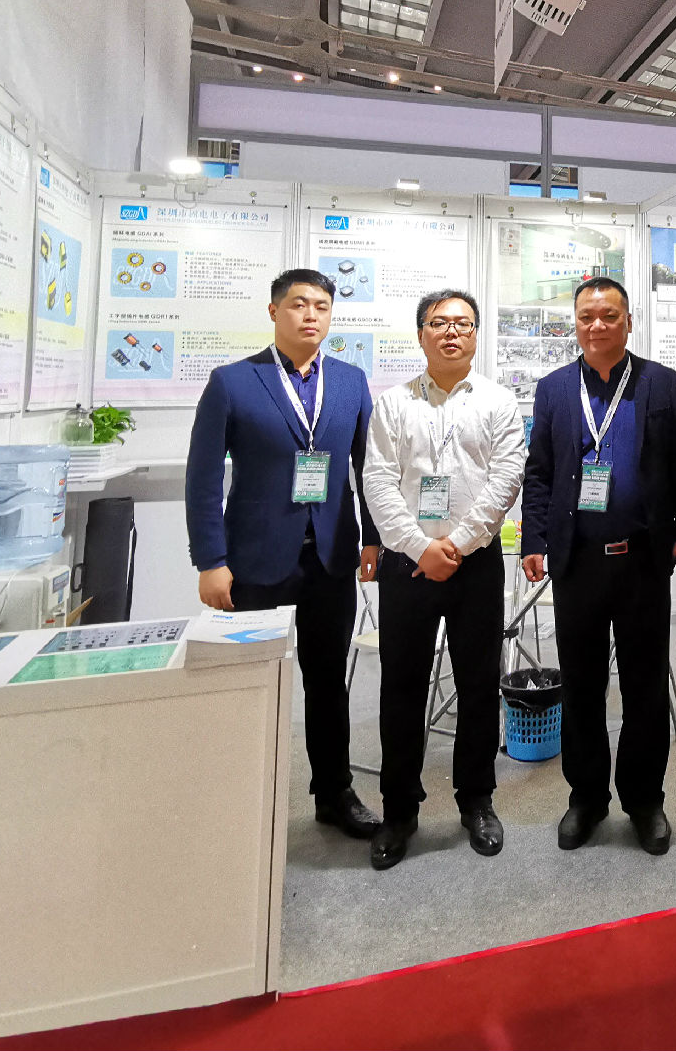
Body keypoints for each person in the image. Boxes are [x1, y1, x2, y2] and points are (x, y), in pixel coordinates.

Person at [187, 268, 381, 840]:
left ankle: (334, 792)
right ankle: (240, 797)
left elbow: (368, 467)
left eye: (321, 306)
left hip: (329, 558)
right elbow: (203, 480)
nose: (311, 315)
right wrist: (210, 561)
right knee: (249, 681)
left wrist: (371, 537)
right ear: (274, 311)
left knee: (327, 681)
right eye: (299, 304)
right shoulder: (232, 382)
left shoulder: (350, 381)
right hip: (253, 559)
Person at [521, 277, 676, 855]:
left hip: (643, 560)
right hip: (577, 563)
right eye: (587, 316)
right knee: (582, 684)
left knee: (645, 685)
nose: (597, 325)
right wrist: (534, 538)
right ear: (575, 323)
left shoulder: (659, 382)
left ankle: (645, 800)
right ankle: (587, 798)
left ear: (628, 320)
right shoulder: (554, 389)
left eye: (609, 315)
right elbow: (539, 472)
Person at [361, 289, 526, 870]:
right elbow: (377, 481)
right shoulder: (392, 404)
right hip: (407, 566)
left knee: (478, 685)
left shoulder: (499, 402)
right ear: (421, 334)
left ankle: (476, 799)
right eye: (439, 323)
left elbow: (507, 477)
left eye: (463, 323)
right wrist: (419, 547)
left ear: (477, 334)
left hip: (474, 563)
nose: (451, 332)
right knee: (401, 687)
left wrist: (457, 543)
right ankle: (399, 810)